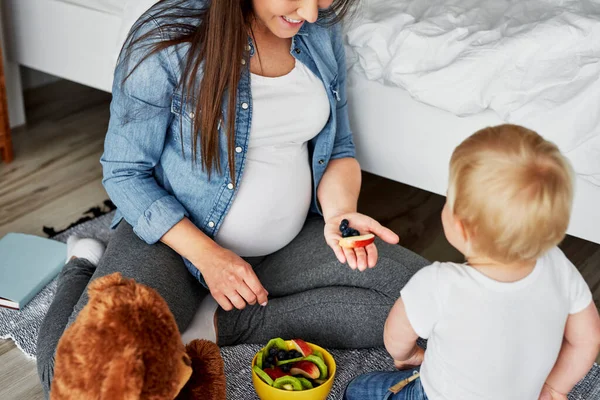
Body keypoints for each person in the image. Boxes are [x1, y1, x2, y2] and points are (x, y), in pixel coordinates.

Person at [36, 0, 430, 396]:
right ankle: (82, 264)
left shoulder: (318, 29)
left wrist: (339, 213)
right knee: (83, 380)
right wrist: (209, 259)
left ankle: (225, 321)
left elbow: (339, 148)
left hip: (286, 246)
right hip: (175, 248)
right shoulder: (167, 37)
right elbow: (124, 173)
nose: (310, 14)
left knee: (430, 303)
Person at [344, 124, 600, 400]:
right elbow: (587, 338)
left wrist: (408, 355)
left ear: (461, 226)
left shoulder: (438, 283)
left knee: (358, 389)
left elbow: (396, 338)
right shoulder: (558, 265)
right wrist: (555, 387)